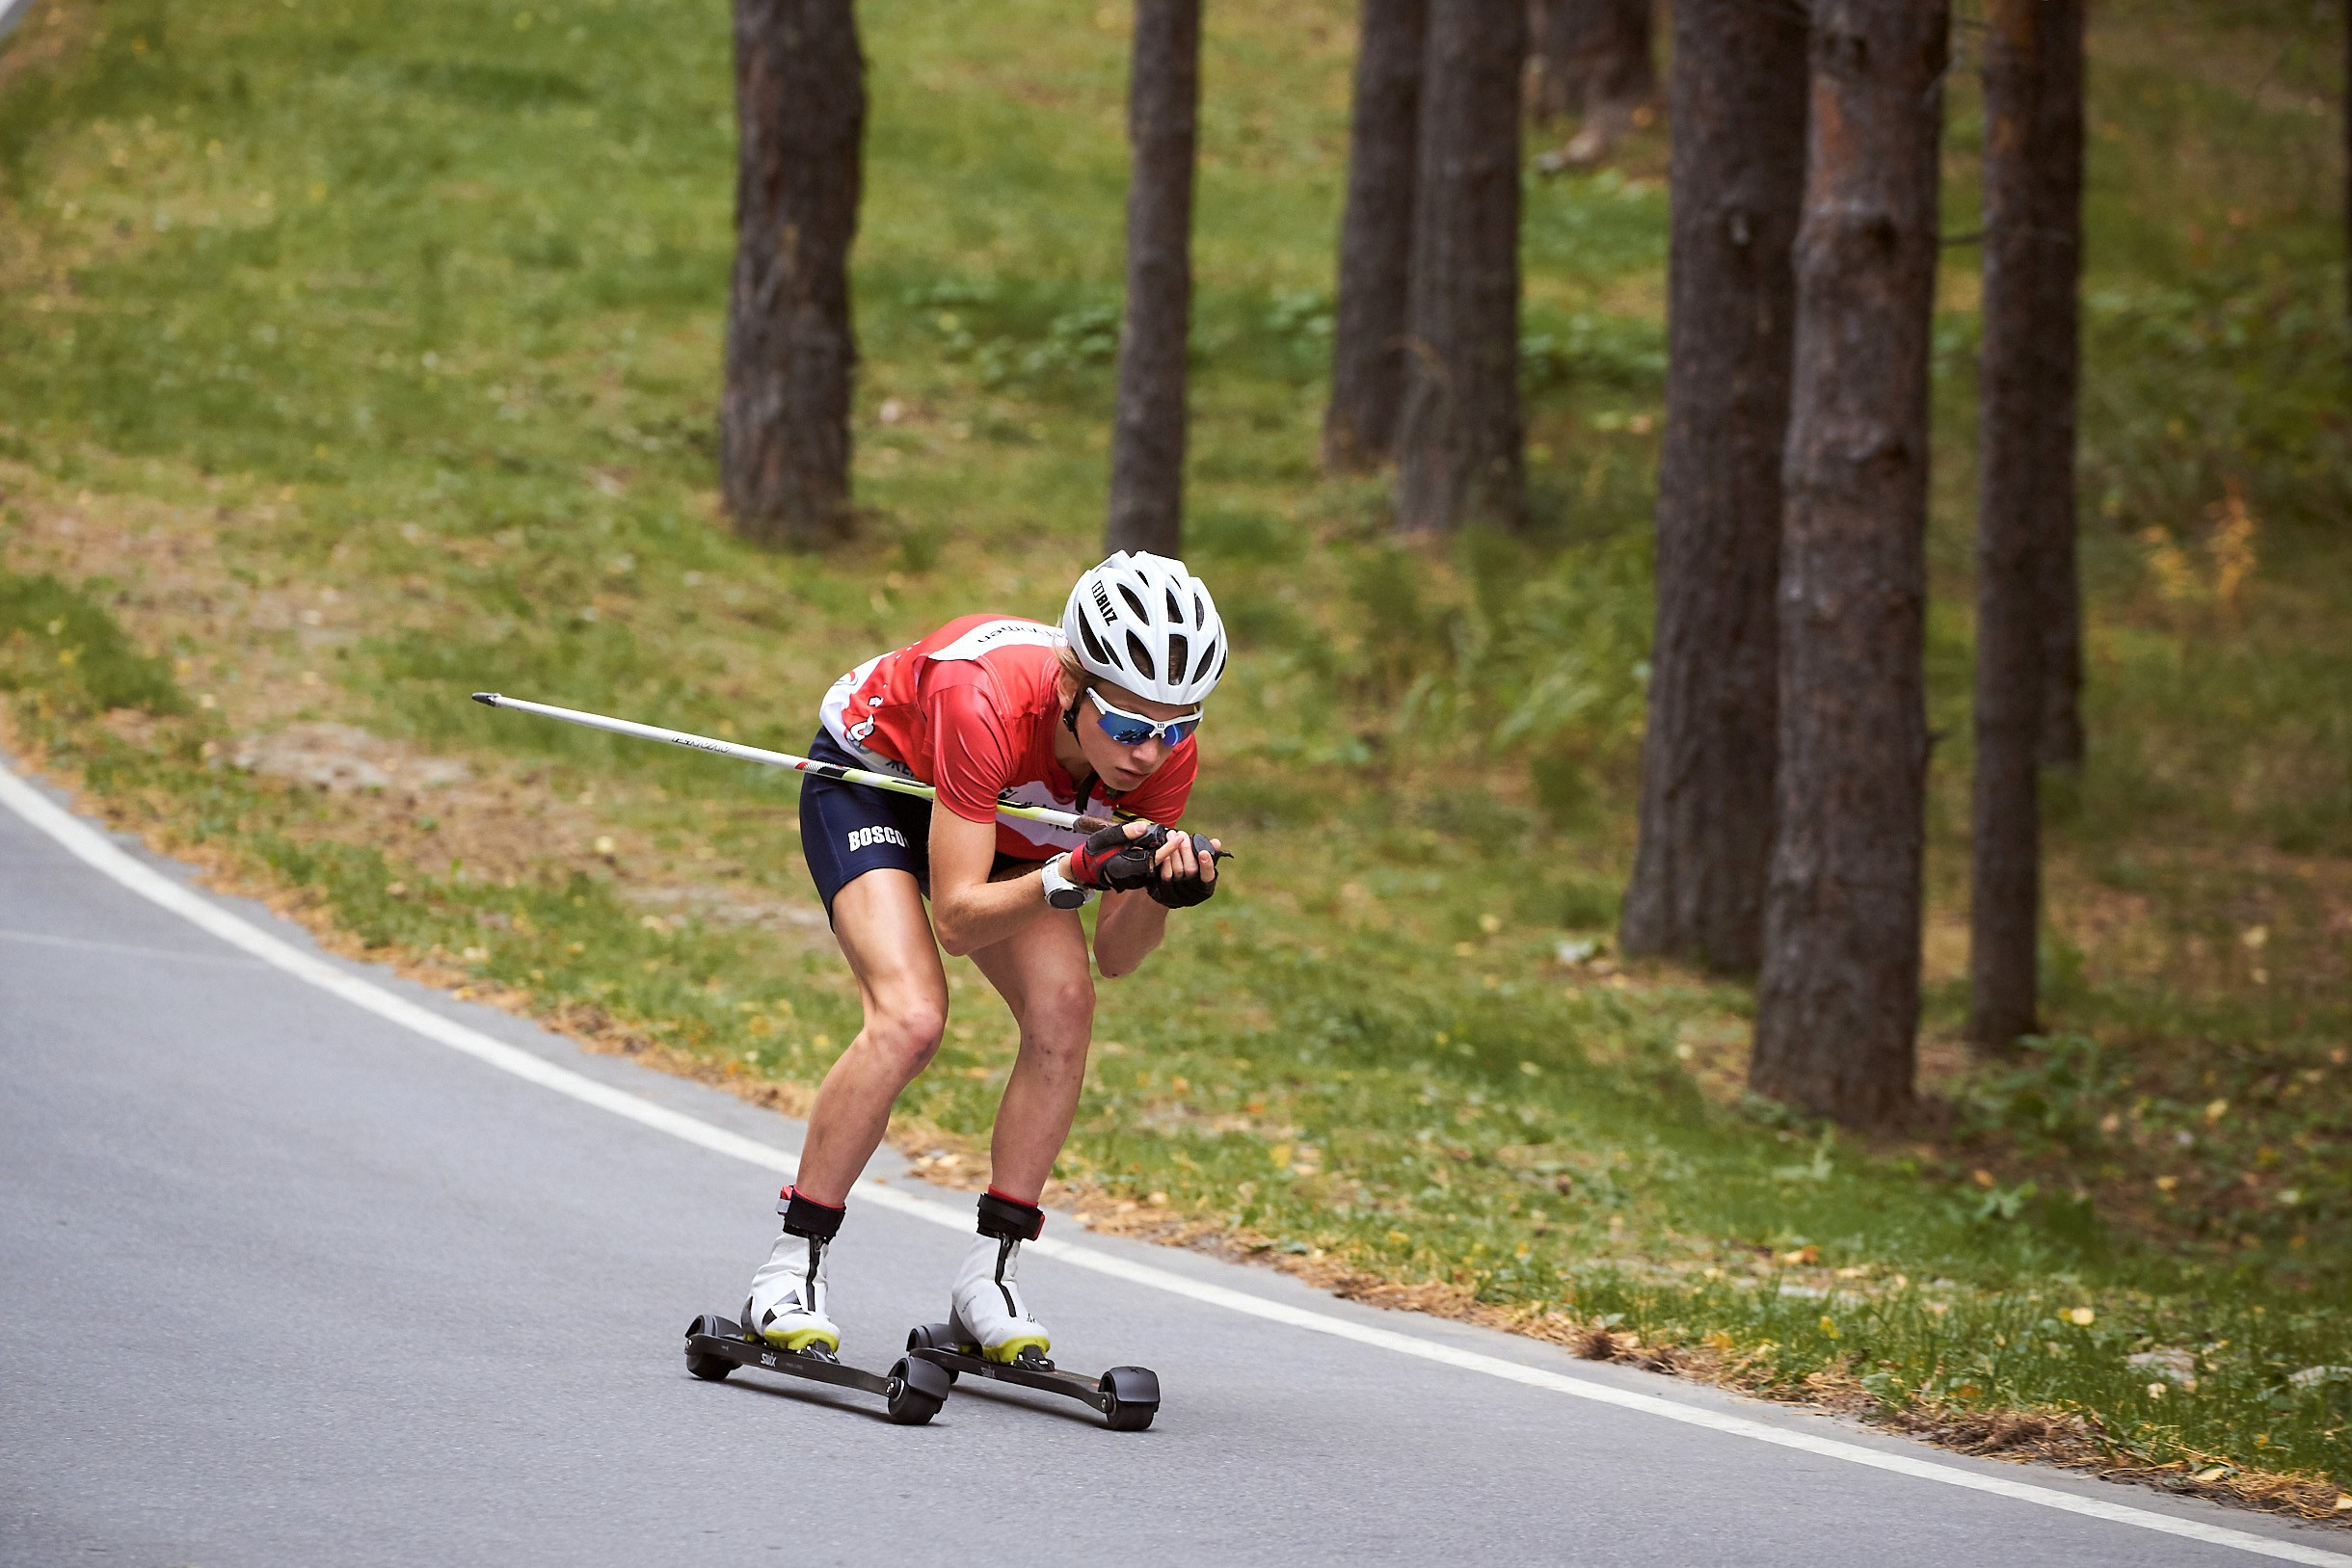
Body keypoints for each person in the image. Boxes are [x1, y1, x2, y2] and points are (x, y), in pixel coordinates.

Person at [741, 551, 1227, 1366]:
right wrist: (1075, 870)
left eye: (1177, 727)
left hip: (1005, 813)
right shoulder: (984, 699)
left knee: (1066, 1006)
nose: (1151, 752)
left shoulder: (1164, 755)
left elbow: (1117, 955)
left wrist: (1160, 892)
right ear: (1074, 689)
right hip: (876, 782)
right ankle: (791, 1266)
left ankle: (989, 1277)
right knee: (910, 1018)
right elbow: (960, 919)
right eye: (1133, 726)